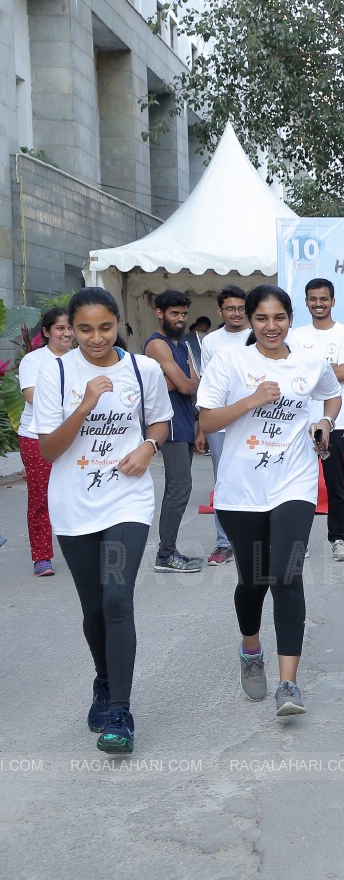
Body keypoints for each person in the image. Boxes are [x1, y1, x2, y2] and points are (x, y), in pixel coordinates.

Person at [35, 287, 173, 754]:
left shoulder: (143, 369)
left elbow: (160, 422)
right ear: (70, 329)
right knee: (93, 608)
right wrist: (85, 404)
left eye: (106, 327)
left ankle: (120, 710)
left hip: (125, 502)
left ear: (119, 325)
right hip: (74, 506)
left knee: (116, 599)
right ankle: (102, 678)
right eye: (85, 329)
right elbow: (49, 450)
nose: (96, 338)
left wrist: (147, 447)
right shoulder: (53, 370)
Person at [197, 285, 341, 718]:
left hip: (293, 485)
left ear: (290, 319)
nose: (271, 327)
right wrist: (252, 399)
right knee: (253, 581)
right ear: (249, 321)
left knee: (286, 576)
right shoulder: (229, 361)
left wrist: (325, 420)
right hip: (241, 491)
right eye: (261, 319)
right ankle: (250, 648)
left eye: (279, 318)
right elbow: (207, 419)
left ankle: (289, 684)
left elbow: (331, 394)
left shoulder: (310, 363)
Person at [290, 278, 344, 562]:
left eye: (324, 299)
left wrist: (311, 366)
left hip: (336, 421)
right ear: (306, 301)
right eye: (313, 299)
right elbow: (291, 372)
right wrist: (325, 367)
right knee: (298, 485)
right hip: (299, 422)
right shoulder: (294, 335)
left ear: (333, 301)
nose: (318, 304)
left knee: (335, 485)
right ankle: (297, 543)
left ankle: (339, 540)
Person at [145, 289, 204, 573]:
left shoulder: (182, 346)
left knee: (179, 488)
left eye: (183, 314)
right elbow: (186, 386)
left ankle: (169, 551)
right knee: (179, 488)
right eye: (174, 314)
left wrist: (183, 382)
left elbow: (195, 384)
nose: (180, 319)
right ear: (160, 313)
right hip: (166, 424)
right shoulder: (157, 345)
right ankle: (165, 554)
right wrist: (182, 383)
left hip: (183, 422)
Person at [196, 286, 250, 567]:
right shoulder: (211, 342)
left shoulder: (258, 335)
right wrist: (202, 429)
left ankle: (258, 539)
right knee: (223, 479)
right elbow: (206, 385)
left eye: (241, 308)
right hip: (218, 422)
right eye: (231, 308)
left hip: (253, 419)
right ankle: (223, 543)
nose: (237, 314)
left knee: (255, 476)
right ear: (221, 311)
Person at [18, 307, 73, 576]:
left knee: (78, 494)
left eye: (70, 327)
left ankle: (81, 550)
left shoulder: (80, 359)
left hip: (75, 436)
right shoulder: (34, 360)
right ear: (47, 332)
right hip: (36, 436)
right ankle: (42, 557)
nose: (66, 333)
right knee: (41, 498)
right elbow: (31, 396)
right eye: (60, 328)